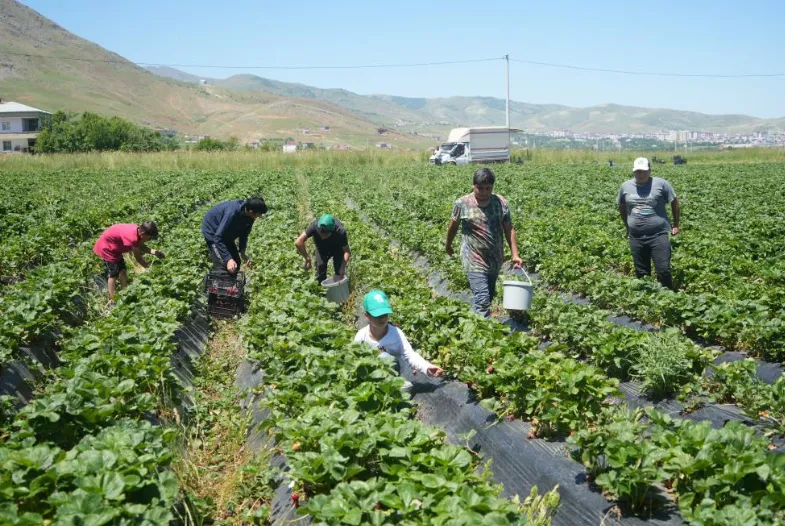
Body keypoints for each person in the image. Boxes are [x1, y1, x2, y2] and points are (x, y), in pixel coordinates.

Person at [445, 167, 522, 318]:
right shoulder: (462, 204)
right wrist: (448, 245)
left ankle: (477, 324)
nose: (484, 192)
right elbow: (453, 226)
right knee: (482, 299)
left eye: (488, 188)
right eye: (480, 188)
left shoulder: (500, 203)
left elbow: (509, 229)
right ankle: (481, 334)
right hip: (473, 258)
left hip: (495, 259)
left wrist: (515, 254)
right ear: (473, 185)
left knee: (489, 296)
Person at [354, 290, 444, 390]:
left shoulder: (396, 333)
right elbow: (355, 361)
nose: (383, 319)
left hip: (394, 374)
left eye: (385, 314)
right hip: (370, 376)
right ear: (367, 316)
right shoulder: (361, 336)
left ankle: (392, 386)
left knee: (384, 357)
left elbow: (410, 354)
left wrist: (426, 367)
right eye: (378, 316)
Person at [617, 157, 680, 289]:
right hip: (636, 236)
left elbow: (674, 201)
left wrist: (676, 224)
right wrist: (627, 227)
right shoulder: (626, 186)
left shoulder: (661, 184)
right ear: (634, 172)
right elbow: (622, 206)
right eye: (638, 171)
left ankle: (668, 297)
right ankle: (646, 300)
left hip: (658, 234)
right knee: (641, 273)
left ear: (650, 170)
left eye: (644, 171)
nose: (642, 174)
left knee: (663, 270)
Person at [93, 221, 165, 302]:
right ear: (143, 234)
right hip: (107, 247)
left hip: (115, 247)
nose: (149, 240)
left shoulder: (138, 231)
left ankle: (125, 292)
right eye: (149, 238)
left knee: (122, 270)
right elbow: (139, 259)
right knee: (114, 273)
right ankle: (112, 300)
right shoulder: (132, 237)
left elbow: (140, 246)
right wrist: (151, 270)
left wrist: (154, 252)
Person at [202, 196, 267, 274]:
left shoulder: (250, 217)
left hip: (226, 234)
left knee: (236, 262)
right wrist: (228, 259)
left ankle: (230, 284)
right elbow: (218, 237)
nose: (259, 216)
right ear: (251, 212)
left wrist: (242, 253)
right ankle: (219, 284)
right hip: (213, 232)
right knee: (224, 264)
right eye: (259, 214)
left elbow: (244, 234)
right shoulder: (231, 213)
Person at [294, 213, 351, 283]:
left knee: (339, 272)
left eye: (325, 235)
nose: (322, 237)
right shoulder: (314, 226)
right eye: (321, 234)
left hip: (337, 249)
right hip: (321, 249)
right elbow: (298, 242)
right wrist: (307, 258)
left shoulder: (340, 231)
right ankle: (322, 290)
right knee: (320, 270)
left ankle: (338, 287)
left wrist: (343, 266)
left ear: (332, 231)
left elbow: (347, 251)